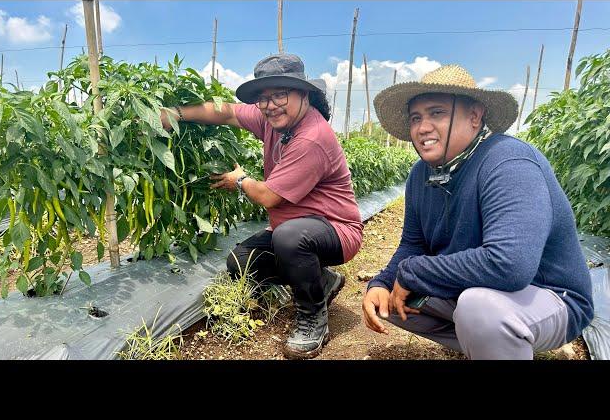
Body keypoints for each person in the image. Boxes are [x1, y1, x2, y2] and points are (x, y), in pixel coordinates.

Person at [362, 64, 594, 359]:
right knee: (391, 301)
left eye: (437, 113)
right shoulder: (421, 175)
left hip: (551, 297)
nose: (422, 128)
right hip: (484, 289)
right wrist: (381, 283)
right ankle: (490, 344)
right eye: (415, 118)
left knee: (478, 308)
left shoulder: (508, 162)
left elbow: (510, 266)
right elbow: (412, 244)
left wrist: (413, 272)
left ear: (475, 116)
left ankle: (501, 334)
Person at [162, 53, 363, 359]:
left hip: (336, 230)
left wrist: (240, 179)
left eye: (280, 94)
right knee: (241, 262)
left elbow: (269, 196)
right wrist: (176, 113)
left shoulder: (312, 137)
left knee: (289, 239)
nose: (270, 105)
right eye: (263, 98)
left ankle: (312, 318)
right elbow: (226, 112)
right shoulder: (273, 120)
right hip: (296, 228)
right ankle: (323, 280)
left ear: (303, 93)